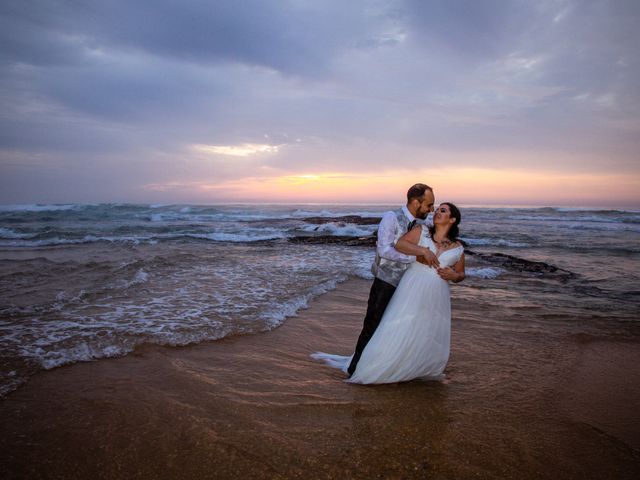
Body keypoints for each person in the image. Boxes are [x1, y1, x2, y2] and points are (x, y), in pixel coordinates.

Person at [311, 202, 465, 384]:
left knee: (426, 329)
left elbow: (461, 274)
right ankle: (381, 364)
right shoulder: (422, 231)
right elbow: (400, 244)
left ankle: (416, 366)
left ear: (452, 219)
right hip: (413, 284)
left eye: (443, 210)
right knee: (399, 324)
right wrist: (423, 250)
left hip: (437, 293)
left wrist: (453, 275)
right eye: (437, 209)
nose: (437, 212)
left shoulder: (458, 247)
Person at [344, 184, 437, 377]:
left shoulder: (423, 226)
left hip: (410, 284)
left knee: (397, 327)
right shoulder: (391, 217)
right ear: (415, 202)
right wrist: (414, 258)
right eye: (429, 205)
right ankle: (355, 370)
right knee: (373, 324)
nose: (431, 210)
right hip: (385, 281)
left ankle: (386, 367)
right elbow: (383, 250)